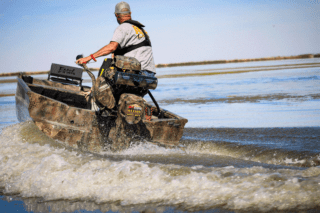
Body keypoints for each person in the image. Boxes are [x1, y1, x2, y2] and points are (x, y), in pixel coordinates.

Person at [75, 1, 156, 77]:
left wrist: (89, 58)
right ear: (130, 13)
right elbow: (134, 48)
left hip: (136, 73)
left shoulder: (123, 27)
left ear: (116, 15)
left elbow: (111, 47)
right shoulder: (140, 29)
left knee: (105, 76)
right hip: (149, 73)